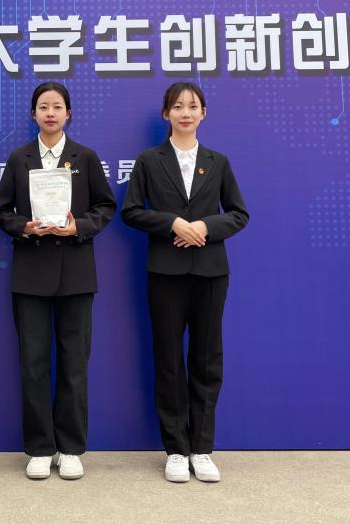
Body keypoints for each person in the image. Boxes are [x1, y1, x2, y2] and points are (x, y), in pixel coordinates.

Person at [120, 82, 249, 484]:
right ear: (166, 114)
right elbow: (131, 211)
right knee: (169, 360)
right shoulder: (149, 160)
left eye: (193, 106)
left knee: (207, 359)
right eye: (178, 106)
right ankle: (176, 449)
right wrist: (172, 223)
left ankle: (202, 448)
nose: (185, 113)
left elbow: (239, 214)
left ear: (203, 113)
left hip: (211, 272)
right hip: (166, 272)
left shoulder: (218, 161)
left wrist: (204, 228)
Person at [0, 82, 116, 480]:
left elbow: (106, 206)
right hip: (30, 274)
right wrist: (24, 227)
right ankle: (40, 448)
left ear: (68, 113)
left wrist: (80, 226)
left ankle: (72, 447)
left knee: (74, 363)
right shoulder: (20, 158)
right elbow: (1, 212)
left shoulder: (85, 157)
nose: (50, 113)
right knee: (33, 364)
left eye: (57, 106)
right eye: (43, 106)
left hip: (76, 273)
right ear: (33, 114)